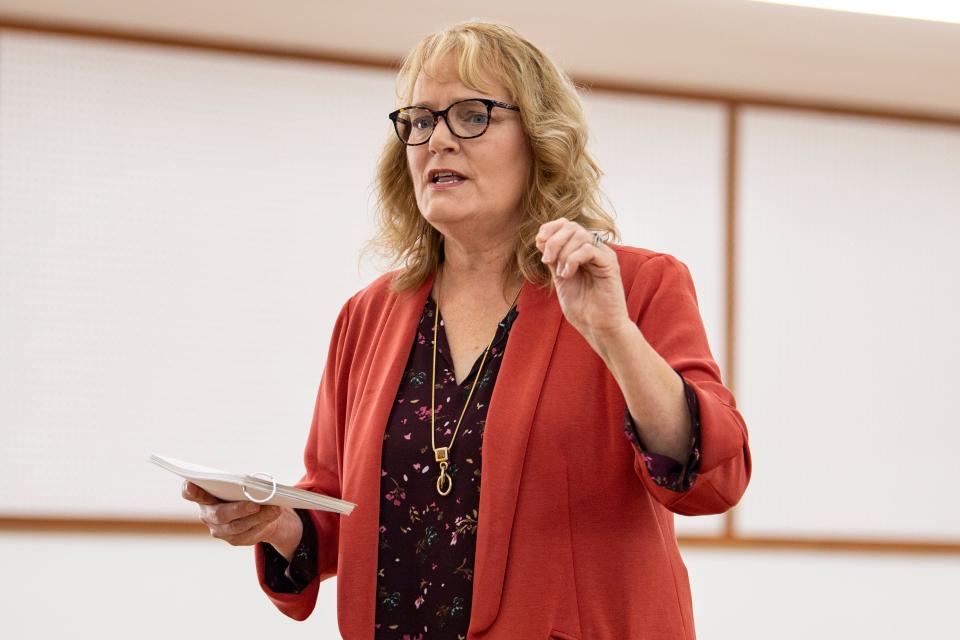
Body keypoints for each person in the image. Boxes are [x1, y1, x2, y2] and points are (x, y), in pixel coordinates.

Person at [183, 21, 750, 640]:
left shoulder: (634, 284)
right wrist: (276, 524)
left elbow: (712, 480)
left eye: (472, 114)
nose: (438, 141)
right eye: (421, 121)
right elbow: (342, 504)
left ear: (540, 141)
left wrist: (613, 334)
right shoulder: (367, 316)